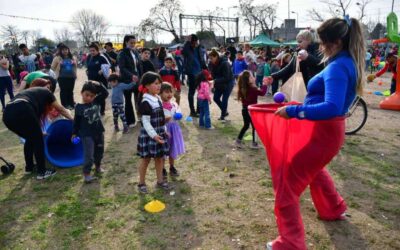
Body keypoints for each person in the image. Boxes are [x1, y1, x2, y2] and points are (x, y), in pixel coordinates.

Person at [267, 16, 366, 250]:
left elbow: (331, 107)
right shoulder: (344, 62)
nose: (320, 47)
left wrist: (296, 112)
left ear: (337, 42)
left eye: (323, 42)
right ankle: (333, 208)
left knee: (287, 183)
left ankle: (290, 242)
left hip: (325, 132)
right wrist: (296, 109)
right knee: (314, 171)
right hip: (326, 132)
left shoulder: (339, 67)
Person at [2, 85, 73, 179]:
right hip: (23, 108)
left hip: (7, 116)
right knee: (37, 139)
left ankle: (29, 168)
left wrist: (38, 132)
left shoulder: (32, 94)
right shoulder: (47, 93)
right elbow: (61, 109)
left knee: (30, 138)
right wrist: (74, 121)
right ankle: (42, 172)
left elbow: (33, 120)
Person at [136, 72, 170, 194]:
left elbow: (161, 118)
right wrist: (154, 135)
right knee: (146, 159)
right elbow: (145, 121)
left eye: (159, 83)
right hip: (149, 136)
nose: (159, 86)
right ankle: (141, 183)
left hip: (159, 134)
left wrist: (164, 130)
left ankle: (160, 181)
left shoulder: (157, 98)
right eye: (156, 83)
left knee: (160, 158)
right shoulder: (146, 101)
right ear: (147, 85)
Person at [72, 81, 105, 183]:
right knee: (89, 155)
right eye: (87, 95)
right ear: (81, 93)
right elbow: (76, 122)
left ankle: (98, 166)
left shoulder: (96, 101)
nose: (89, 98)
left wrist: (99, 84)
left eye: (92, 96)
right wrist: (74, 133)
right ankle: (87, 173)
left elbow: (105, 93)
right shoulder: (78, 107)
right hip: (86, 135)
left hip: (99, 132)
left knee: (99, 152)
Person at [235, 70, 268, 149]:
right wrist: (265, 84)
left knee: (246, 125)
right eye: (251, 76)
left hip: (244, 110)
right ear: (247, 80)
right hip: (251, 111)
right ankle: (254, 144)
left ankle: (238, 140)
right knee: (254, 127)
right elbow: (262, 93)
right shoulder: (252, 88)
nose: (253, 77)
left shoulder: (243, 88)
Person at [159, 82, 185, 178]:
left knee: (172, 149)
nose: (169, 94)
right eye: (166, 92)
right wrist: (166, 118)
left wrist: (179, 114)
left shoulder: (174, 104)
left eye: (171, 92)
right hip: (164, 131)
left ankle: (172, 167)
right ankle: (162, 169)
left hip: (174, 130)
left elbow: (178, 111)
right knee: (163, 150)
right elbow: (158, 118)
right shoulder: (159, 106)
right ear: (160, 93)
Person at [117, 35, 141, 127]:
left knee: (139, 99)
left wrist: (140, 76)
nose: (133, 44)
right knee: (128, 100)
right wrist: (131, 76)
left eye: (134, 43)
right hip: (126, 80)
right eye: (131, 43)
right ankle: (130, 121)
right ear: (126, 42)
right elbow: (122, 68)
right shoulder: (122, 53)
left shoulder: (135, 52)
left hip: (137, 79)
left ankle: (140, 117)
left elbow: (139, 66)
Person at [182, 34, 206, 117]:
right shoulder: (187, 49)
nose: (195, 43)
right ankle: (192, 111)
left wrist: (205, 68)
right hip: (191, 73)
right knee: (191, 92)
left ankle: (198, 110)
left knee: (201, 92)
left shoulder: (199, 48)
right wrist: (187, 41)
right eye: (193, 42)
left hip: (200, 73)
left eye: (196, 42)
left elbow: (202, 59)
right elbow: (183, 51)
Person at [208, 50, 235, 122]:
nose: (210, 60)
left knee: (224, 99)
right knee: (216, 98)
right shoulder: (211, 64)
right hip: (219, 82)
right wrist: (213, 83)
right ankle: (225, 111)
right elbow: (212, 75)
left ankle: (223, 116)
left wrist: (214, 81)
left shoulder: (225, 63)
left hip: (229, 82)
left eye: (211, 58)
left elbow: (227, 77)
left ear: (216, 56)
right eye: (209, 58)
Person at [86, 43, 110, 115]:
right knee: (92, 95)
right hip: (91, 80)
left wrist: (102, 70)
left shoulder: (102, 57)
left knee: (102, 95)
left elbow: (109, 65)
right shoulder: (90, 57)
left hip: (101, 81)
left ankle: (102, 111)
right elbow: (88, 66)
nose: (92, 52)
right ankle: (95, 110)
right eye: (90, 51)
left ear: (97, 50)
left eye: (93, 50)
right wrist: (87, 71)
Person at [51, 44, 77, 109]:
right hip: (62, 77)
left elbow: (75, 66)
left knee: (70, 91)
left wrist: (74, 63)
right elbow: (52, 68)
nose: (65, 51)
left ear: (68, 50)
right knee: (63, 91)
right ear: (60, 51)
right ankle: (65, 105)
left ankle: (71, 104)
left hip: (71, 77)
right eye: (63, 50)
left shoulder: (72, 57)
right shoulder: (57, 58)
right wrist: (59, 64)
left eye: (66, 49)